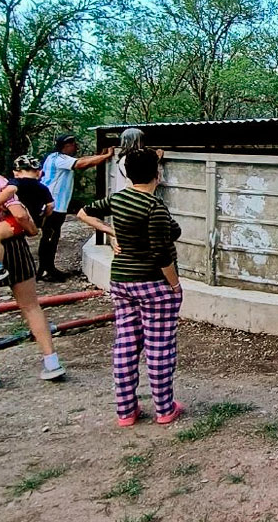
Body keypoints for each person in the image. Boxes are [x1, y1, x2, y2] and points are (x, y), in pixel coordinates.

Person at [77, 148, 184, 426]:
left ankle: (126, 411)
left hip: (122, 283)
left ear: (126, 173)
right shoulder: (153, 207)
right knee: (159, 347)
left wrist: (113, 233)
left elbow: (82, 213)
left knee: (125, 345)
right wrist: (174, 285)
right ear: (157, 175)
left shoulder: (119, 199)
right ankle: (164, 409)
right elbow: (162, 253)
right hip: (154, 285)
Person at [0, 135, 65, 392]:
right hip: (11, 245)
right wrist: (33, 229)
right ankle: (51, 362)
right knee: (31, 306)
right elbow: (19, 212)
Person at [38, 134, 113, 281]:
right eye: (73, 144)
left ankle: (47, 268)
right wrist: (106, 156)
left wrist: (99, 156)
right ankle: (46, 270)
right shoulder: (59, 159)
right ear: (66, 146)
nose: (76, 147)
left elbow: (83, 161)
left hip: (55, 205)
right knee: (50, 238)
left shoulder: (54, 157)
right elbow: (81, 164)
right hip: (54, 205)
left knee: (51, 237)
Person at [0, 155, 55, 285]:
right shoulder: (43, 187)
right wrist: (42, 217)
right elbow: (50, 206)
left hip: (17, 219)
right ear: (38, 172)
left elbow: (10, 190)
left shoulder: (17, 182)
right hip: (33, 220)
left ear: (17, 171)